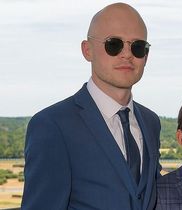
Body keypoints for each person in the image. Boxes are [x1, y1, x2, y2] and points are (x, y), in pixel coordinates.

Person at [22, 3, 161, 210]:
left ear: (146, 56)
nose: (127, 54)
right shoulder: (52, 126)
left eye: (137, 46)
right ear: (87, 50)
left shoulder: (151, 122)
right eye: (113, 44)